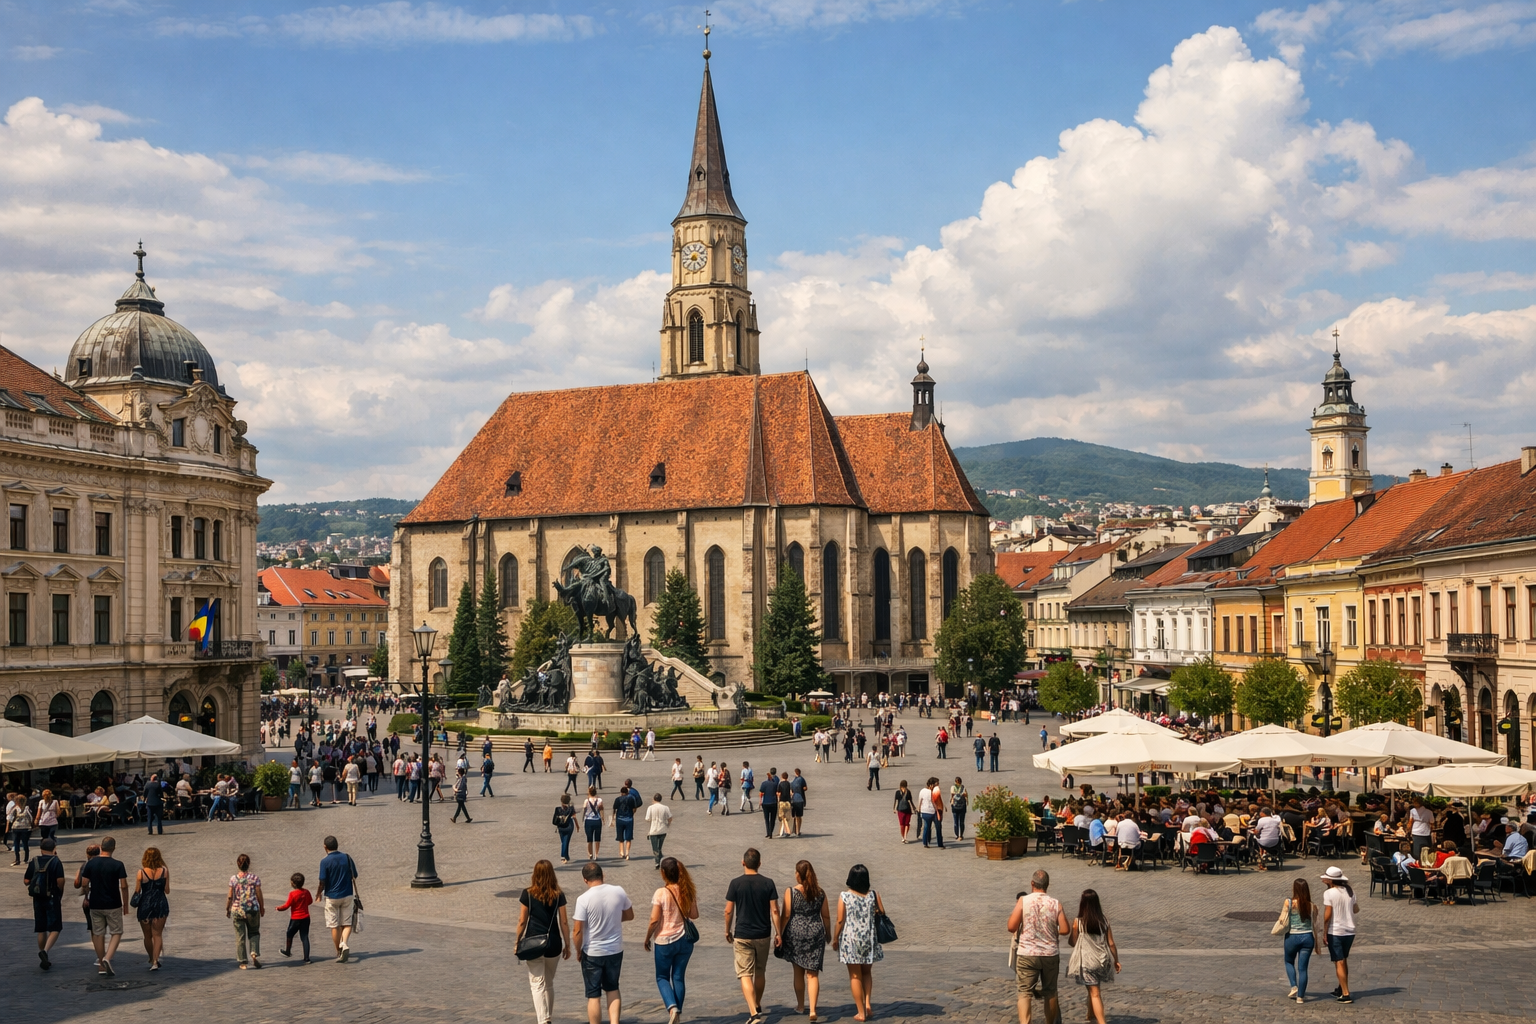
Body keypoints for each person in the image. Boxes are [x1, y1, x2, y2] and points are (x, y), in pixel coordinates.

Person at [572, 862, 634, 1024]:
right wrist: (613, 919)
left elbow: (577, 931)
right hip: (615, 949)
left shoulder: (583, 899)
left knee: (593, 995)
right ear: (602, 875)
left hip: (592, 951)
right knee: (613, 988)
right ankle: (615, 1022)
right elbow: (630, 915)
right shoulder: (618, 891)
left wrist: (578, 950)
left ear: (585, 880)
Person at [725, 847, 781, 1023]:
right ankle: (757, 1003)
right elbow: (775, 910)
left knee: (745, 974)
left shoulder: (735, 883)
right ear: (759, 864)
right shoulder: (768, 883)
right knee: (760, 971)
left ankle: (753, 1013)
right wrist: (778, 933)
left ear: (743, 863)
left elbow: (728, 911)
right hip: (763, 933)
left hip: (742, 934)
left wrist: (727, 930)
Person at [1008, 869, 1070, 1024]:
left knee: (1024, 992)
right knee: (1050, 992)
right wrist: (1052, 929)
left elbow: (1011, 926)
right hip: (1050, 953)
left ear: (1032, 883)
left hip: (1027, 953)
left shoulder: (1023, 901)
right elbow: (1065, 929)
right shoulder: (1055, 903)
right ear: (1047, 885)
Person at [645, 857, 700, 1024]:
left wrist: (647, 938)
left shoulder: (661, 893)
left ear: (663, 873)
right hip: (685, 941)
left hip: (665, 941)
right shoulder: (687, 890)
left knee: (662, 977)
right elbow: (694, 915)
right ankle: (677, 1015)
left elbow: (654, 920)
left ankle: (672, 1008)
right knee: (678, 977)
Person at [518, 859, 572, 1024]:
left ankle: (544, 1020)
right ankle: (548, 1015)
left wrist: (517, 941)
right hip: (553, 942)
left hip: (533, 942)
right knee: (548, 983)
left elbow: (522, 921)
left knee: (537, 984)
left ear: (535, 874)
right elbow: (564, 922)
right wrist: (567, 945)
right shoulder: (558, 895)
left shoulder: (527, 894)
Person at [781, 859, 832, 1022]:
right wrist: (828, 933)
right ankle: (813, 1010)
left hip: (795, 933)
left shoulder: (791, 892)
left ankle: (801, 1006)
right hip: (815, 933)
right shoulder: (820, 892)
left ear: (798, 874)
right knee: (812, 974)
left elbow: (786, 915)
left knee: (798, 972)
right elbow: (826, 916)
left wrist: (779, 933)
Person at [833, 863, 884, 1022]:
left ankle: (861, 1012)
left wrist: (835, 938)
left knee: (855, 975)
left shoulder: (845, 896)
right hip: (869, 939)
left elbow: (840, 920)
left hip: (851, 941)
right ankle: (867, 1004)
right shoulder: (874, 894)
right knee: (867, 973)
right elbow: (882, 912)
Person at [1066, 889, 1120, 1024]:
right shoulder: (1104, 921)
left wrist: (1074, 930)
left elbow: (1072, 942)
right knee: (1093, 987)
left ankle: (1101, 1022)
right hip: (1101, 961)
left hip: (1087, 963)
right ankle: (1090, 1013)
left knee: (1095, 993)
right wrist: (1116, 960)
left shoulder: (1078, 922)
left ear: (1083, 903)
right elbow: (1111, 943)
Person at [82, 835, 129, 976]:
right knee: (117, 932)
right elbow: (124, 886)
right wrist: (125, 904)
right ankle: (108, 957)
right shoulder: (118, 864)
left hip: (95, 903)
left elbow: (84, 883)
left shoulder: (91, 864)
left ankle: (101, 965)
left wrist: (87, 895)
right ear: (113, 848)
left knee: (98, 933)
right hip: (113, 903)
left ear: (101, 847)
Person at [314, 835, 359, 963]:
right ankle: (344, 943)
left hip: (332, 896)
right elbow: (354, 875)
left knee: (334, 925)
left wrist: (318, 894)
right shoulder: (347, 858)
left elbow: (322, 881)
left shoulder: (324, 861)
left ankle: (338, 951)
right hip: (347, 894)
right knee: (347, 923)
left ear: (325, 847)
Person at [23, 835, 65, 970]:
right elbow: (60, 881)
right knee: (55, 927)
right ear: (54, 848)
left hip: (37, 898)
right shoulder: (56, 862)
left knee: (41, 928)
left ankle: (43, 954)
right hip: (52, 897)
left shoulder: (34, 861)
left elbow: (26, 881)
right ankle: (45, 952)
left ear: (40, 848)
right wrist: (59, 892)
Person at [1278, 878, 1322, 1003]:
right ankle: (1300, 997)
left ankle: (1294, 986)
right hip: (1307, 938)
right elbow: (1316, 925)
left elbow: (1282, 919)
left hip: (1292, 937)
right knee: (1303, 968)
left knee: (1288, 961)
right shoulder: (1312, 906)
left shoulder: (1289, 902)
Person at [1320, 866, 1357, 1003]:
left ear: (1331, 880)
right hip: (1350, 931)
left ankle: (1345, 993)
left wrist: (1324, 931)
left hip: (1336, 931)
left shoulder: (1329, 893)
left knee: (1339, 961)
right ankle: (1341, 988)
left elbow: (1327, 915)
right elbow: (1356, 909)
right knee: (1343, 960)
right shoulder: (1350, 891)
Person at [226, 853, 265, 969]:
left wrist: (227, 909)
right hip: (252, 909)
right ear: (249, 864)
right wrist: (262, 907)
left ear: (238, 864)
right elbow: (259, 894)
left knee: (240, 936)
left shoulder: (233, 879)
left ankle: (243, 962)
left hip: (237, 910)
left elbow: (230, 896)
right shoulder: (255, 878)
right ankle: (254, 953)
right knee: (254, 932)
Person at [134, 847, 170, 970]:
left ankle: (151, 957)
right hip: (160, 904)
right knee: (157, 935)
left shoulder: (141, 873)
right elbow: (167, 890)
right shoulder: (164, 871)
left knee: (147, 936)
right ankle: (155, 961)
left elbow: (137, 891)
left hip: (145, 905)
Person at [278, 872, 314, 962]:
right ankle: (307, 958)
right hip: (306, 917)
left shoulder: (292, 894)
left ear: (293, 883)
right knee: (304, 937)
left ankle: (288, 951)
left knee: (289, 934)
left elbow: (287, 905)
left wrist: (279, 908)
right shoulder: (306, 892)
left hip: (295, 918)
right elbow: (310, 901)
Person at [614, 783, 639, 860]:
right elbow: (634, 808)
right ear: (627, 792)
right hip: (629, 819)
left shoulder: (618, 799)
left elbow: (615, 809)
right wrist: (632, 814)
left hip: (619, 819)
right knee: (629, 837)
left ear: (621, 793)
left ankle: (621, 852)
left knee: (620, 837)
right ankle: (627, 853)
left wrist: (614, 817)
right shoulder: (631, 798)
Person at [646, 793, 673, 867]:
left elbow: (647, 819)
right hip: (663, 829)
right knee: (659, 847)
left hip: (653, 830)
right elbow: (670, 818)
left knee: (655, 847)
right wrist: (668, 824)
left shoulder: (650, 808)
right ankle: (659, 858)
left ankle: (657, 861)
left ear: (654, 799)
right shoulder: (665, 807)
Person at [918, 777, 945, 849]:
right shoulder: (933, 792)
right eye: (936, 784)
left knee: (926, 827)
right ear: (931, 785)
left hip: (924, 811)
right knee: (938, 827)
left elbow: (920, 801)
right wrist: (938, 811)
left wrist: (919, 810)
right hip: (933, 811)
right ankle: (940, 844)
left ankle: (925, 843)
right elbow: (935, 802)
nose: (938, 786)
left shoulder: (922, 791)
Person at [1408, 797, 1434, 863]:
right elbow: (1432, 823)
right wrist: (1432, 831)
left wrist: (1408, 830)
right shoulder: (1429, 812)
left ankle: (1417, 862)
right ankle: (1425, 862)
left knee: (1416, 850)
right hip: (1426, 832)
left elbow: (1410, 821)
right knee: (1426, 850)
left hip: (1415, 832)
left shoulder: (1412, 811)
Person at [583, 786, 606, 860]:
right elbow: (601, 809)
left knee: (589, 839)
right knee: (597, 838)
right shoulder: (599, 800)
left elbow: (584, 809)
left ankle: (590, 853)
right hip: (597, 820)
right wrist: (603, 818)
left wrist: (583, 818)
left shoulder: (586, 801)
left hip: (588, 820)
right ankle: (596, 854)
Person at [554, 794, 578, 863]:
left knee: (563, 841)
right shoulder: (571, 808)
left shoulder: (557, 809)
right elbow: (574, 817)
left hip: (560, 826)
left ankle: (566, 856)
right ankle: (564, 856)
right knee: (566, 841)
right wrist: (577, 826)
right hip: (569, 825)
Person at [789, 768, 809, 837]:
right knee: (799, 816)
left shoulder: (793, 780)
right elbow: (805, 788)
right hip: (800, 799)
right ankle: (798, 831)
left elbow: (790, 790)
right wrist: (802, 789)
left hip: (793, 799)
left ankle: (793, 829)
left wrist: (791, 793)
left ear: (795, 773)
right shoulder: (802, 779)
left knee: (793, 816)